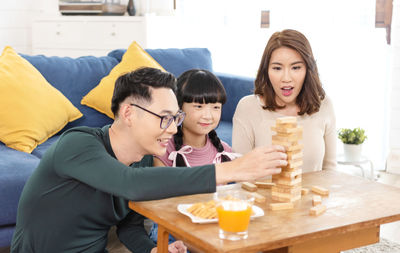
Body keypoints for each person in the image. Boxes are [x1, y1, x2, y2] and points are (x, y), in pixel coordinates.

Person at [11, 67, 288, 253]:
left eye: (176, 118)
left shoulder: (143, 161)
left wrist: (154, 250)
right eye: (166, 118)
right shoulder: (78, 144)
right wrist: (231, 169)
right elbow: (129, 184)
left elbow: (130, 226)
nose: (173, 128)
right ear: (129, 114)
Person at [148, 69, 240, 245]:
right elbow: (161, 205)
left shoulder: (224, 151)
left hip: (213, 230)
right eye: (198, 106)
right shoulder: (163, 150)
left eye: (215, 107)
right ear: (179, 108)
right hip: (173, 229)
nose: (208, 115)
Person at [233, 29, 336, 172]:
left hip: (313, 194)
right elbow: (240, 174)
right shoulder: (247, 107)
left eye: (296, 67)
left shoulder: (324, 105)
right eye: (277, 68)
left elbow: (330, 171)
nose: (286, 78)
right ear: (266, 70)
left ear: (308, 70)